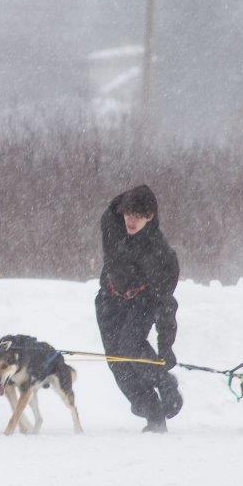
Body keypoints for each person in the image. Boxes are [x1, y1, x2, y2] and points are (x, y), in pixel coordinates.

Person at [95, 185, 182, 433]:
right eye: (127, 214)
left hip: (142, 302)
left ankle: (165, 384)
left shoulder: (160, 253)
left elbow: (166, 304)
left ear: (150, 217)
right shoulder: (112, 224)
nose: (130, 221)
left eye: (138, 215)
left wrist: (165, 348)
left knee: (129, 346)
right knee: (117, 361)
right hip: (109, 301)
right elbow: (114, 207)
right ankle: (152, 413)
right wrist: (125, 204)